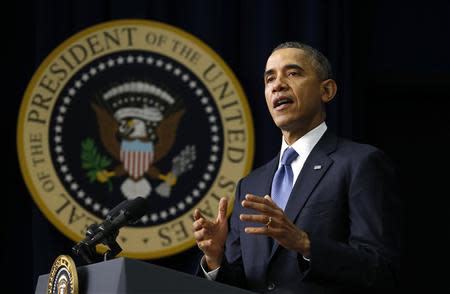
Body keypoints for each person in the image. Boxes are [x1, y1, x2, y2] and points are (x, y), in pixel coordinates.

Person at [193, 41, 402, 293]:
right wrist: (215, 258)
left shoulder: (360, 163)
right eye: (270, 79)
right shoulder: (250, 185)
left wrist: (305, 243)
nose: (278, 84)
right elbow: (244, 284)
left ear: (326, 90)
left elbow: (381, 271)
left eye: (292, 73)